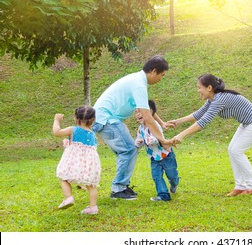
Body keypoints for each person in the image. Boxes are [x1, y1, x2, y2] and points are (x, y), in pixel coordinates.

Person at [170, 74, 252, 196]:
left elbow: (203, 121)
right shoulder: (212, 99)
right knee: (232, 150)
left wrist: (182, 135)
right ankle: (241, 186)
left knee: (236, 151)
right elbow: (199, 114)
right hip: (247, 123)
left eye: (199, 87)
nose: (198, 90)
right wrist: (177, 122)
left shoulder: (220, 99)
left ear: (209, 88)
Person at [92, 55, 174, 200]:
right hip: (106, 119)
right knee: (129, 149)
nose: (161, 79)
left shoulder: (137, 80)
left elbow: (147, 110)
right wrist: (163, 140)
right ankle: (118, 189)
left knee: (125, 151)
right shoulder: (139, 84)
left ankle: (121, 187)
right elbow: (147, 117)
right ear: (154, 71)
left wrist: (161, 123)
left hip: (106, 118)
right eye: (162, 75)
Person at [53, 106, 101, 215]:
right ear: (93, 120)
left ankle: (68, 197)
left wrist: (56, 120)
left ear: (75, 118)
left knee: (64, 178)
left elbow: (57, 132)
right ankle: (93, 207)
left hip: (74, 160)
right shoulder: (93, 134)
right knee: (91, 185)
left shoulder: (73, 129)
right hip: (89, 164)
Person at [135, 100, 179, 201]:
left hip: (166, 155)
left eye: (140, 111)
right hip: (154, 157)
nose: (138, 114)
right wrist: (138, 142)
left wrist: (153, 140)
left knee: (172, 175)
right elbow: (139, 139)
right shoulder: (140, 129)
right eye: (136, 112)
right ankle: (163, 195)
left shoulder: (155, 124)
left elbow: (160, 137)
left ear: (150, 112)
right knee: (156, 176)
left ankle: (174, 182)